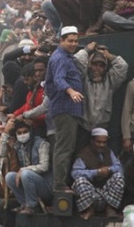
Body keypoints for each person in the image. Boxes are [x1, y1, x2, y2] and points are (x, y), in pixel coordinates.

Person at [44, 26, 85, 192]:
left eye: (76, 41)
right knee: (64, 147)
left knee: (67, 146)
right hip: (64, 108)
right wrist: (71, 91)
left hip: (70, 109)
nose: (73, 44)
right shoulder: (60, 58)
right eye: (70, 41)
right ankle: (59, 185)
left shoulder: (66, 56)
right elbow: (59, 79)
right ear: (62, 40)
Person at [73, 42, 128, 132]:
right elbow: (77, 60)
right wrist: (87, 50)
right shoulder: (83, 78)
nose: (97, 68)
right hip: (82, 125)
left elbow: (122, 66)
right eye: (95, 64)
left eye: (101, 66)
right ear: (90, 65)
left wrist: (108, 55)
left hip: (102, 127)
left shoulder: (110, 81)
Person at [71, 128, 124, 219]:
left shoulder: (108, 151)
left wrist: (109, 169)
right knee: (80, 181)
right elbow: (75, 173)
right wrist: (96, 172)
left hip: (107, 194)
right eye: (98, 142)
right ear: (92, 141)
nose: (102, 145)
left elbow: (119, 167)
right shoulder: (84, 153)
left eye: (104, 142)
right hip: (91, 193)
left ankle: (110, 209)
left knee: (119, 177)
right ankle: (89, 210)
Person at [1, 119, 51, 214]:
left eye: (25, 132)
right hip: (28, 185)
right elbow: (2, 153)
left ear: (30, 132)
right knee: (9, 176)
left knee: (25, 174)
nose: (22, 135)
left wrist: (24, 170)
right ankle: (24, 204)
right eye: (19, 133)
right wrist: (5, 133)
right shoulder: (19, 146)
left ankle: (32, 206)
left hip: (45, 186)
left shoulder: (41, 143)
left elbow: (44, 166)